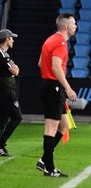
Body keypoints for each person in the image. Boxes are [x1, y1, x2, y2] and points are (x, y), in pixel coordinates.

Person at [37, 13, 77, 177]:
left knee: (64, 125)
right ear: (66, 27)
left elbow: (40, 63)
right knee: (51, 127)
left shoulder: (50, 39)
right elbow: (56, 67)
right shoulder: (60, 42)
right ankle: (49, 168)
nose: (75, 26)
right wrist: (67, 87)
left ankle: (44, 160)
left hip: (50, 85)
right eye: (74, 24)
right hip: (53, 86)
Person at [0, 29, 22, 157]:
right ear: (6, 39)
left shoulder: (2, 53)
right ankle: (0, 145)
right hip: (6, 90)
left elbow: (15, 69)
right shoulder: (2, 54)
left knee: (3, 118)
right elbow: (16, 71)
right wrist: (14, 68)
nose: (13, 40)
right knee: (17, 117)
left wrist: (14, 68)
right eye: (11, 38)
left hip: (3, 89)